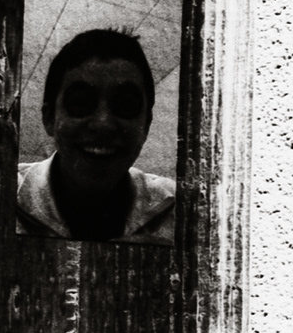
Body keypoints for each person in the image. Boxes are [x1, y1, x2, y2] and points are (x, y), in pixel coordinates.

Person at [17, 26, 178, 242]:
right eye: (81, 102)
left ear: (146, 125)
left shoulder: (181, 209)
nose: (103, 124)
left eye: (125, 104)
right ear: (49, 118)